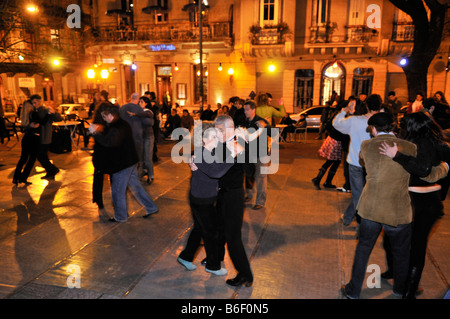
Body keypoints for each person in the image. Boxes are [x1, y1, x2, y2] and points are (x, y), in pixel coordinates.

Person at [341, 112, 417, 299]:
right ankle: (399, 290)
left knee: (363, 249)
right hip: (397, 211)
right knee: (401, 253)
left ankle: (353, 291)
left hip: (371, 209)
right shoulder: (410, 147)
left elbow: (362, 162)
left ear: (374, 129)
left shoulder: (367, 146)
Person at [379, 112, 450, 299]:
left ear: (413, 126)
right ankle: (397, 273)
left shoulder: (424, 144)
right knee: (392, 239)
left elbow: (423, 169)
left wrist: (397, 156)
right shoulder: (418, 142)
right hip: (415, 202)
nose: (402, 126)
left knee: (415, 246)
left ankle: (409, 290)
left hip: (422, 205)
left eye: (405, 124)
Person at [178, 122, 239, 275]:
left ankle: (186, 257)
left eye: (216, 135)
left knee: (200, 228)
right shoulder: (200, 154)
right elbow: (216, 172)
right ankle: (212, 266)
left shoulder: (209, 151)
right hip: (201, 200)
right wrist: (233, 156)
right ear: (203, 139)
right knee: (211, 233)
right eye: (213, 136)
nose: (217, 138)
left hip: (204, 197)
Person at [90, 102, 158, 222]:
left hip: (122, 164)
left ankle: (120, 216)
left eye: (105, 116)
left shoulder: (118, 126)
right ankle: (151, 207)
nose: (104, 119)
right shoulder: (120, 124)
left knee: (117, 191)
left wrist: (95, 133)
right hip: (130, 161)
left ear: (110, 114)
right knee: (136, 187)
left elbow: (109, 142)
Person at [214, 115, 253, 287]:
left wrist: (243, 151)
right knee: (219, 229)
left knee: (233, 238)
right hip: (223, 194)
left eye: (219, 130)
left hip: (233, 196)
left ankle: (245, 275)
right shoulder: (224, 142)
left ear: (227, 128)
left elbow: (251, 170)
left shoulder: (239, 143)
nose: (216, 133)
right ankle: (214, 258)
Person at [333, 94, 382, 226]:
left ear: (366, 105)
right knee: (360, 194)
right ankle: (349, 218)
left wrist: (345, 110)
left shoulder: (355, 120)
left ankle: (356, 222)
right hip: (374, 164)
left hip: (355, 163)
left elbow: (336, 123)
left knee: (359, 194)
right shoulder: (382, 122)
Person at [243, 100, 271, 210]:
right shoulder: (247, 122)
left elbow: (273, 132)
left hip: (261, 154)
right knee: (249, 175)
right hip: (249, 153)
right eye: (244, 110)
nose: (245, 112)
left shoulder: (261, 121)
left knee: (261, 178)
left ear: (254, 109)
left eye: (247, 109)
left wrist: (265, 126)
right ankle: (249, 195)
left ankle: (260, 201)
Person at [312, 105, 347, 190]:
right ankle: (319, 179)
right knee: (332, 161)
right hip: (336, 141)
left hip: (333, 140)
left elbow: (328, 126)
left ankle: (325, 181)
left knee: (334, 162)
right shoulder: (342, 117)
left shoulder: (336, 115)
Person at [12, 99, 41, 185]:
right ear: (29, 106)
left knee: (23, 158)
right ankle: (23, 177)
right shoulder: (33, 114)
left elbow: (29, 125)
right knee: (31, 159)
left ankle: (16, 177)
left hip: (26, 138)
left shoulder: (24, 116)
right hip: (33, 138)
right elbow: (40, 122)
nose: (34, 105)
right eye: (32, 104)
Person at [119, 93, 148, 177]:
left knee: (126, 155)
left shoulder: (122, 108)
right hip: (136, 136)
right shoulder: (139, 109)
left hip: (124, 136)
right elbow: (145, 122)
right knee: (137, 156)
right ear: (138, 99)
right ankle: (137, 174)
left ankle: (126, 173)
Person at [36, 96, 62, 180]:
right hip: (39, 137)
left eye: (36, 102)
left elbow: (58, 118)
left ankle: (52, 169)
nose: (35, 104)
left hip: (45, 137)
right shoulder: (35, 111)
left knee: (41, 156)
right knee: (43, 156)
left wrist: (54, 112)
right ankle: (51, 171)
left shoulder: (45, 110)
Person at [137, 96, 155, 184]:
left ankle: (151, 175)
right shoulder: (139, 112)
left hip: (148, 136)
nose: (139, 103)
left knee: (148, 157)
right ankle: (143, 171)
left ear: (146, 103)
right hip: (140, 137)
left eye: (142, 102)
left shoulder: (148, 111)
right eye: (139, 101)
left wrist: (136, 114)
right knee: (141, 156)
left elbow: (149, 119)